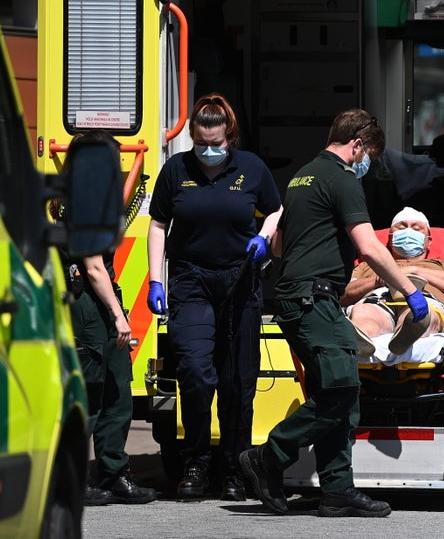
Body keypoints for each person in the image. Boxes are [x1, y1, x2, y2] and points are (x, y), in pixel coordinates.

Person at [238, 108, 430, 518]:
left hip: (299, 297)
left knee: (336, 392)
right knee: (342, 389)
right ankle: (269, 457)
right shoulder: (341, 179)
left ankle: (337, 491)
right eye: (369, 157)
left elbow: (278, 246)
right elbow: (371, 246)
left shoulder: (302, 175)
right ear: (357, 145)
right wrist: (409, 290)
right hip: (313, 300)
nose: (367, 166)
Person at [145, 93, 283, 500]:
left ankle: (235, 469)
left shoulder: (252, 169)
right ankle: (195, 463)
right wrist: (156, 280)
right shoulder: (176, 169)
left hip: (239, 281)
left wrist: (264, 237)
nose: (208, 150)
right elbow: (157, 225)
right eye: (201, 142)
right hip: (191, 280)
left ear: (230, 137)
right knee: (195, 371)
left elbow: (275, 209)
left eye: (216, 143)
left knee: (238, 380)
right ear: (192, 136)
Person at [53, 130, 156, 506]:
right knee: (91, 397)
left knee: (117, 392)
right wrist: (118, 316)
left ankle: (114, 474)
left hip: (102, 306)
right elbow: (94, 267)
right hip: (89, 309)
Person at [340, 206, 444, 362]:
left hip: (425, 300)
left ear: (429, 242)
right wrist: (378, 279)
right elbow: (343, 296)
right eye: (401, 227)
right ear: (391, 238)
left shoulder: (443, 265)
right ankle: (363, 337)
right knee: (363, 311)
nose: (408, 232)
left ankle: (407, 333)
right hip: (378, 299)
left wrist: (415, 270)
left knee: (420, 314)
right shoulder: (368, 265)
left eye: (416, 228)